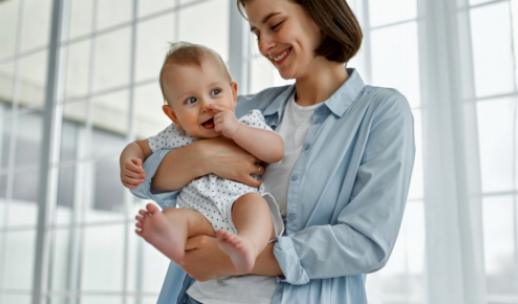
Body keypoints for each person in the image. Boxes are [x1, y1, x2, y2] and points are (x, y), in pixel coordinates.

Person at [132, 0, 415, 303]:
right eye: (256, 33)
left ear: (319, 13)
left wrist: (239, 258)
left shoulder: (380, 112)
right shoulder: (242, 108)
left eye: (275, 24)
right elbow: (143, 177)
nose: (265, 45)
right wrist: (205, 158)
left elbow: (365, 243)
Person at [119, 42, 284, 274]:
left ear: (233, 93)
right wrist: (128, 160)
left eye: (215, 92)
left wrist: (236, 130)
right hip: (199, 217)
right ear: (173, 114)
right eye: (191, 101)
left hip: (238, 205)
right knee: (172, 217)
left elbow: (276, 149)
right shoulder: (175, 135)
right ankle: (173, 244)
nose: (207, 105)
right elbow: (139, 146)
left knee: (256, 206)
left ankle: (248, 247)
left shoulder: (246, 123)